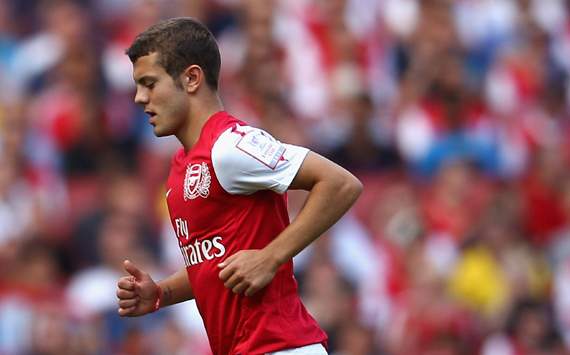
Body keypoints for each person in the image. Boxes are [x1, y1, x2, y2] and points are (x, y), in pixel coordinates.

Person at [115, 17, 362, 355]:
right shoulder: (181, 168)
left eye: (149, 83)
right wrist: (162, 293)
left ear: (191, 78)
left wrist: (271, 257)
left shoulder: (230, 144)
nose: (139, 98)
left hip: (281, 347)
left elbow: (341, 184)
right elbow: (216, 264)